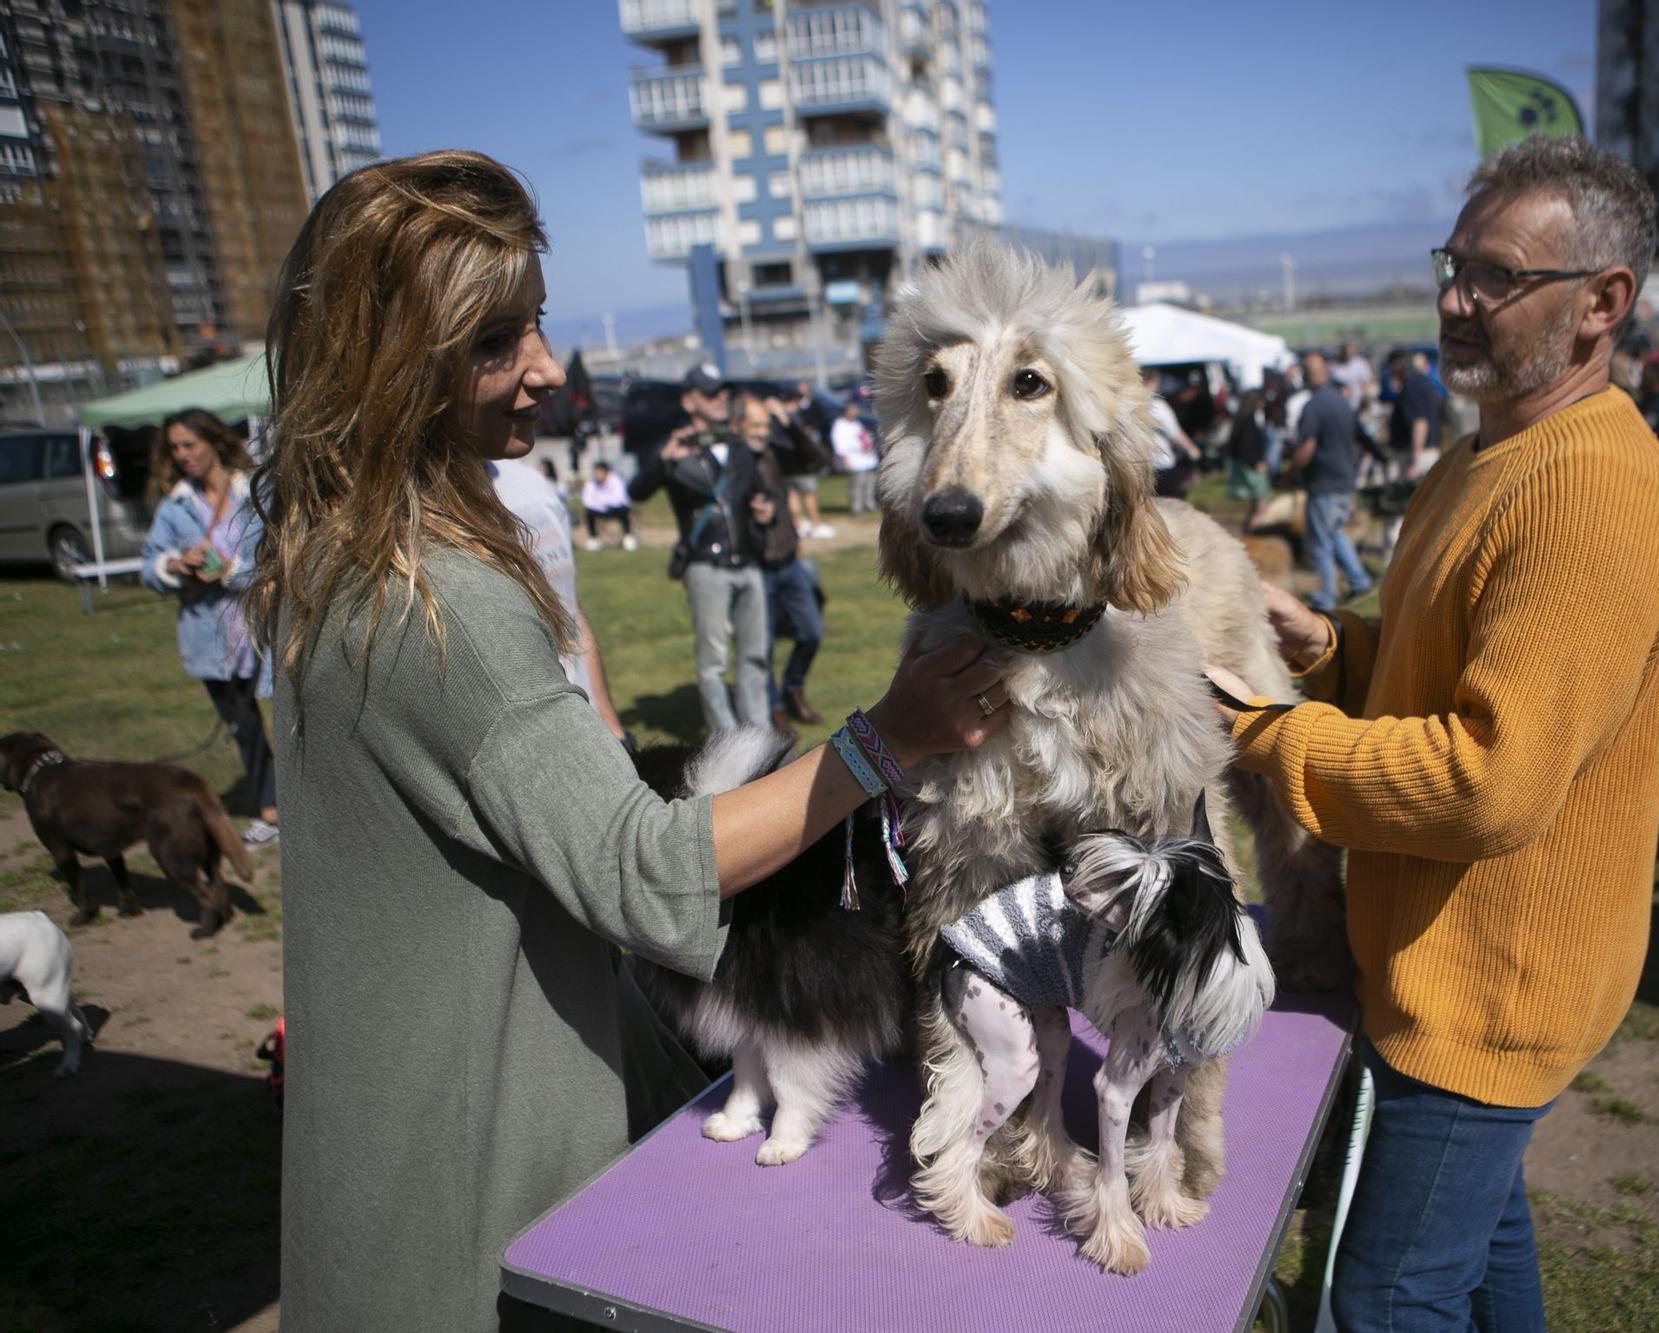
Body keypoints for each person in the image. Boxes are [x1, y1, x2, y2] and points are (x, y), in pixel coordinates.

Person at [248, 150, 1011, 1332]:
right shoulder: (440, 601)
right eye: (494, 341)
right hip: (481, 1190)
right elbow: (637, 873)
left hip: (378, 1144)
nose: (544, 368)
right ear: (390, 363)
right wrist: (885, 741)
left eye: (536, 325)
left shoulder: (329, 556)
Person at [1208, 137, 1659, 1331]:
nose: (1451, 301)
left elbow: (1488, 780)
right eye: (1450, 264)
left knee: (1376, 1300)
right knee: (1474, 1256)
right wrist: (1329, 648)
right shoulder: (1486, 455)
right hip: (1454, 969)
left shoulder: (1585, 489)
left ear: (1600, 305)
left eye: (1493, 277)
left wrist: (1269, 734)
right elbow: (1447, 673)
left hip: (1480, 994)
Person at [140, 409, 278, 845]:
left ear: (214, 441)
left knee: (295, 718)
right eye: (174, 448)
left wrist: (230, 571)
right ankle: (272, 811)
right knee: (245, 726)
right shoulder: (175, 505)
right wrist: (175, 564)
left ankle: (316, 801)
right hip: (209, 633)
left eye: (189, 445)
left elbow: (279, 556)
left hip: (264, 624)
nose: (181, 456)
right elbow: (149, 565)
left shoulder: (257, 491)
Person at [630, 369, 773, 733]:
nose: (721, 399)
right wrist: (664, 460)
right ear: (689, 401)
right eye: (711, 394)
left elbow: (755, 494)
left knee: (755, 655)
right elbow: (637, 491)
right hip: (705, 565)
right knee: (713, 661)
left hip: (747, 561)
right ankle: (726, 737)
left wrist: (765, 510)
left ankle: (759, 732)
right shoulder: (676, 447)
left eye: (723, 392)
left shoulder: (739, 447)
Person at [489, 455, 632, 750]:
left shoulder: (533, 486)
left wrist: (612, 730)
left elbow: (570, 615)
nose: (533, 404)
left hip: (584, 738)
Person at [737, 392, 826, 730]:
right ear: (739, 426)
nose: (761, 431)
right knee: (765, 643)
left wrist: (787, 422)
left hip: (788, 560)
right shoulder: (735, 459)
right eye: (754, 424)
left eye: (764, 424)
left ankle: (793, 689)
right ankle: (775, 708)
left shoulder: (776, 452)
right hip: (757, 567)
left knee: (811, 632)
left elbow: (815, 459)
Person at [1292, 350, 1376, 610]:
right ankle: (1359, 580)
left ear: (1306, 376)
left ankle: (1325, 596)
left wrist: (1290, 472)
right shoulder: (1342, 402)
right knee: (1335, 533)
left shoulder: (1313, 406)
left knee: (1319, 542)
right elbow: (1360, 437)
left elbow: (1307, 445)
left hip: (1323, 482)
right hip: (1344, 479)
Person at [1141, 367, 1200, 497]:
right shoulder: (1158, 406)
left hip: (1140, 467)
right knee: (1171, 508)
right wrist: (1191, 450)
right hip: (1162, 465)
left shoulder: (1130, 405)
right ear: (1151, 382)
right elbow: (1175, 434)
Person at [789, 380, 837, 539]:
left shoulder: (787, 415)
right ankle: (814, 524)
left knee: (793, 493)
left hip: (791, 462)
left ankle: (798, 525)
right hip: (800, 461)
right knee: (807, 492)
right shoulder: (793, 417)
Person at [1223, 391, 1273, 529]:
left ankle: (1248, 528)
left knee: (1254, 503)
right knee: (1262, 503)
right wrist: (1256, 462)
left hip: (1244, 464)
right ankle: (1253, 530)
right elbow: (1247, 446)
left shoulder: (1242, 419)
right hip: (1252, 465)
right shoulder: (1250, 420)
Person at [829, 401, 879, 514]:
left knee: (869, 483)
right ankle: (856, 507)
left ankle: (868, 504)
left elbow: (864, 437)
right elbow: (839, 444)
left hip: (867, 458)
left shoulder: (856, 423)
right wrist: (844, 459)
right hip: (854, 459)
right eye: (852, 410)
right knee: (857, 484)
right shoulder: (840, 425)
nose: (855, 412)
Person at [580, 459, 636, 552]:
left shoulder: (615, 480)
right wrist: (599, 504)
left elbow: (619, 498)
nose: (597, 474)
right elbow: (587, 500)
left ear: (606, 472)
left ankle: (628, 537)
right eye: (595, 472)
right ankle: (593, 539)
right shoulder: (590, 483)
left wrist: (602, 501)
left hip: (615, 509)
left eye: (599, 472)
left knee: (624, 511)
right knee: (588, 513)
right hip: (598, 510)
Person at [1332, 338, 1377, 408]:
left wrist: (1365, 398)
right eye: (1346, 348)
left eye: (1350, 348)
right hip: (1341, 405)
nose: (1348, 351)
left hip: (1359, 405)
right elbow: (1332, 385)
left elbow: (1368, 383)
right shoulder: (1335, 366)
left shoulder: (1361, 364)